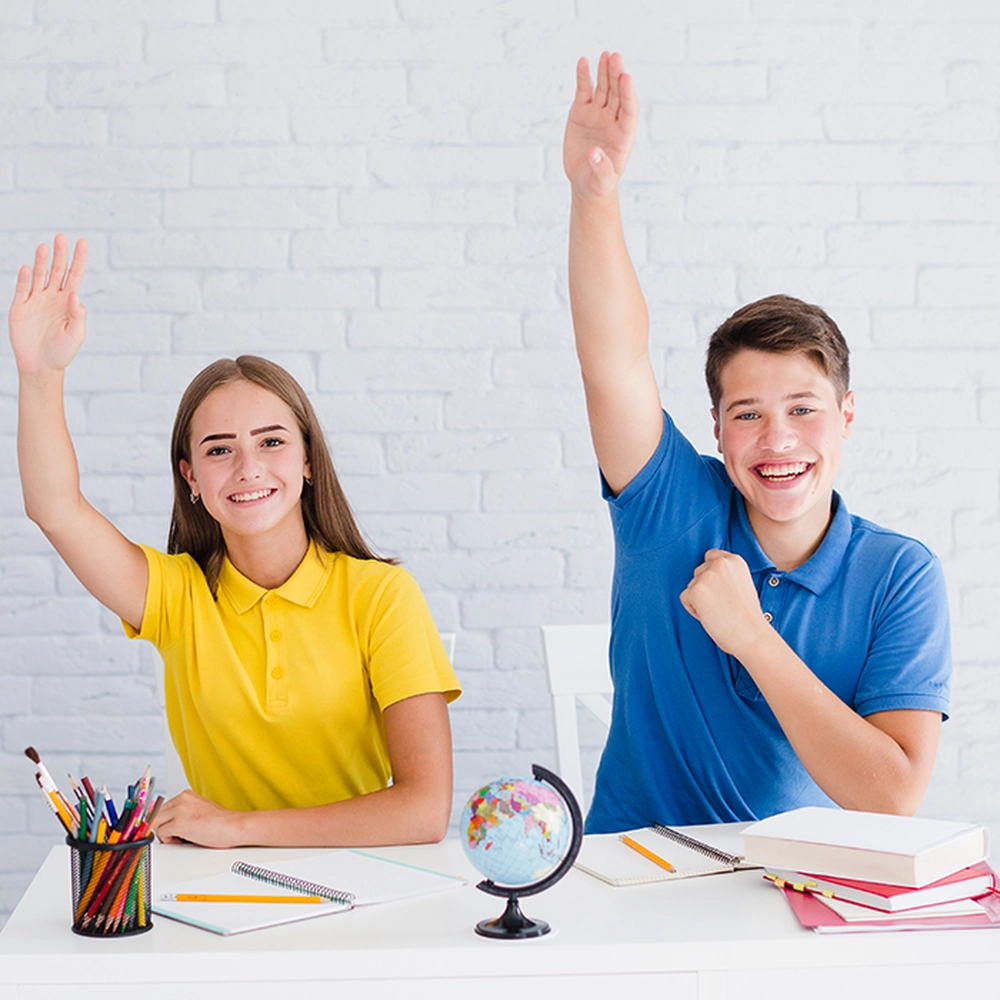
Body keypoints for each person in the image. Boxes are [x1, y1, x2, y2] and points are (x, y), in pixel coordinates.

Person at [563, 53, 950, 831]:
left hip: (792, 896)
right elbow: (613, 358)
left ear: (846, 417)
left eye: (803, 410)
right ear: (715, 429)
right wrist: (594, 195)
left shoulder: (898, 575)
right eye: (747, 414)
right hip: (629, 878)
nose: (777, 439)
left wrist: (749, 634)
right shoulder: (670, 503)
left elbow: (893, 794)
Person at [9, 234, 461, 848]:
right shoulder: (176, 596)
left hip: (359, 882)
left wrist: (236, 828)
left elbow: (424, 811)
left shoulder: (381, 595)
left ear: (307, 461)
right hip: (221, 892)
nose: (248, 467)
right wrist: (40, 375)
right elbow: (54, 508)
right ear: (191, 476)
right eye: (219, 449)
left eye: (271, 442)